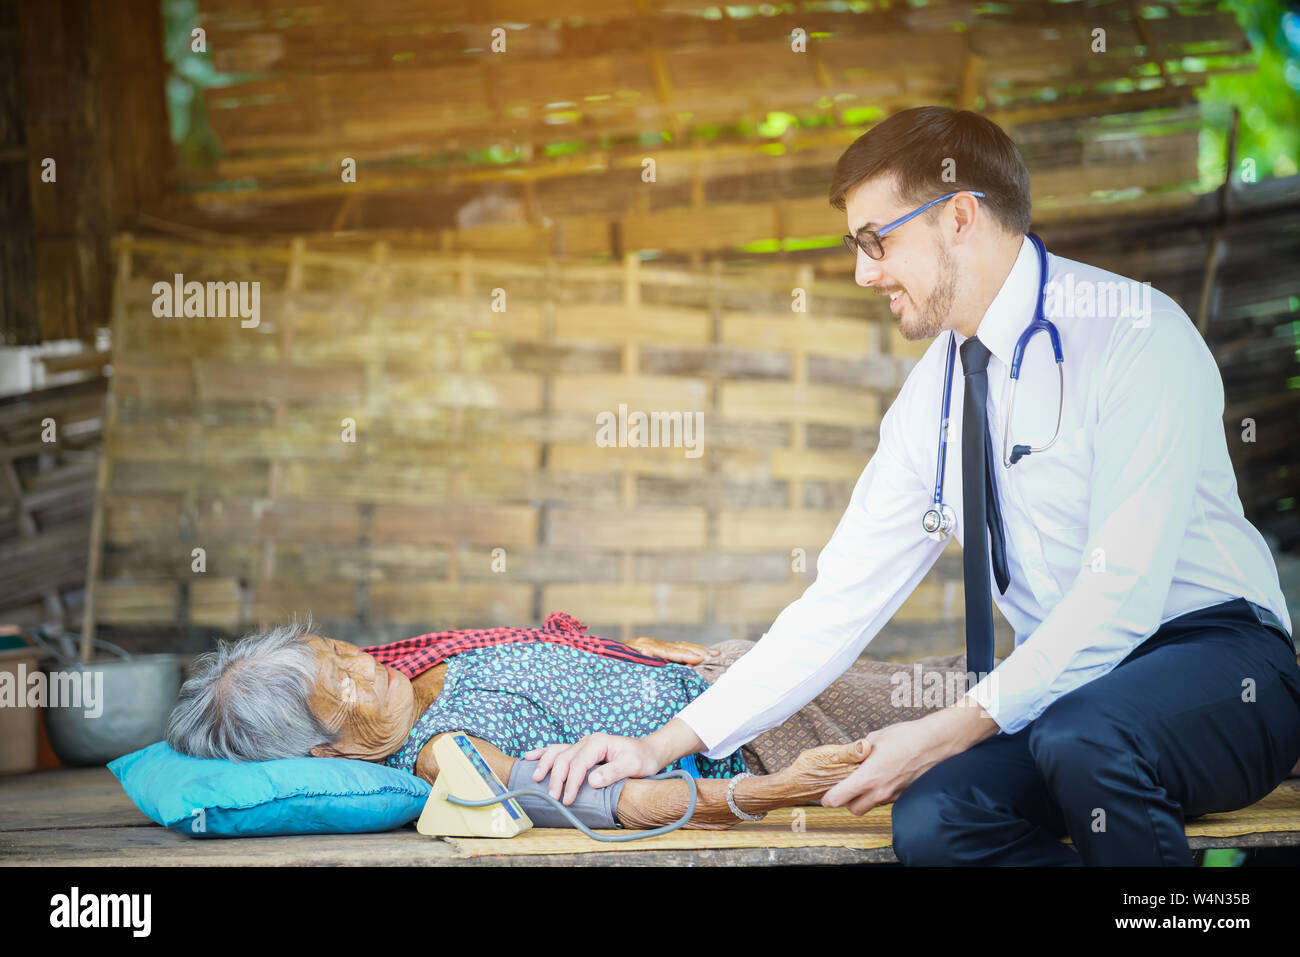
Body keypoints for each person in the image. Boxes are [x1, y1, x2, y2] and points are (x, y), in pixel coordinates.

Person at [530, 106, 1300, 865]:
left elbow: (1120, 596)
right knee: (936, 819)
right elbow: (837, 605)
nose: (864, 271)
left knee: (1084, 735)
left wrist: (941, 730)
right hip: (1071, 696)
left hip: (1224, 668)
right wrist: (660, 745)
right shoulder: (929, 403)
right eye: (855, 244)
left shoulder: (1135, 333)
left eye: (878, 239)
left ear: (959, 215)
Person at [164, 610, 978, 832]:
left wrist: (657, 653)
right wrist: (777, 792)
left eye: (337, 649)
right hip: (764, 737)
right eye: (336, 683)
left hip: (732, 675)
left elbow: (570, 668)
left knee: (967, 679)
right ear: (326, 746)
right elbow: (608, 803)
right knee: (989, 704)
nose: (360, 663)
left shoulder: (424, 667)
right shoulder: (444, 754)